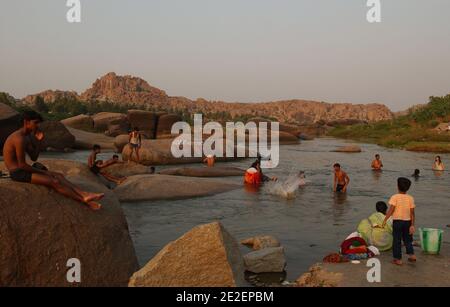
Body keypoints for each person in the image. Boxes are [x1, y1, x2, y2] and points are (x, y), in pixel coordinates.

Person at [3, 110, 104, 210]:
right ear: (26, 122)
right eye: (35, 122)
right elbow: (21, 165)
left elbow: (34, 157)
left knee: (59, 175)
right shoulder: (18, 139)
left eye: (38, 123)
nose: (37, 126)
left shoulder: (27, 137)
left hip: (23, 170)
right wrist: (44, 172)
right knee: (54, 181)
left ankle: (84, 193)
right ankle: (84, 201)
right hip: (17, 173)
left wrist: (38, 142)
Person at [382, 177, 416, 265]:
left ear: (397, 186)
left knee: (397, 240)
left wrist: (385, 220)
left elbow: (391, 210)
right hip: (407, 222)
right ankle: (412, 255)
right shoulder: (410, 198)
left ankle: (398, 259)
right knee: (408, 239)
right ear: (408, 188)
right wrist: (412, 225)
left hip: (397, 222)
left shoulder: (395, 197)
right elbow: (412, 213)